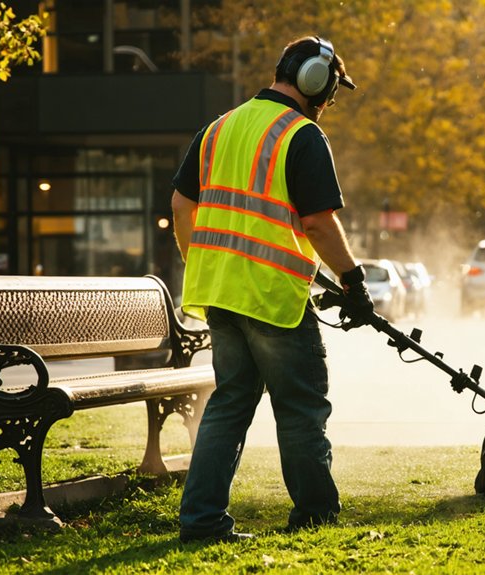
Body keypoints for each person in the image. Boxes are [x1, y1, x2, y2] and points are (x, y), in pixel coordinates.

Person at [170, 35, 374, 544]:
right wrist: (353, 280)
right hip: (272, 300)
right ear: (315, 80)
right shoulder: (300, 135)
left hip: (221, 295)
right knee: (301, 406)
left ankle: (201, 521)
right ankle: (316, 516)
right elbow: (320, 224)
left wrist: (204, 263)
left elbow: (180, 204)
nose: (329, 102)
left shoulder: (219, 127)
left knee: (229, 404)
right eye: (331, 91)